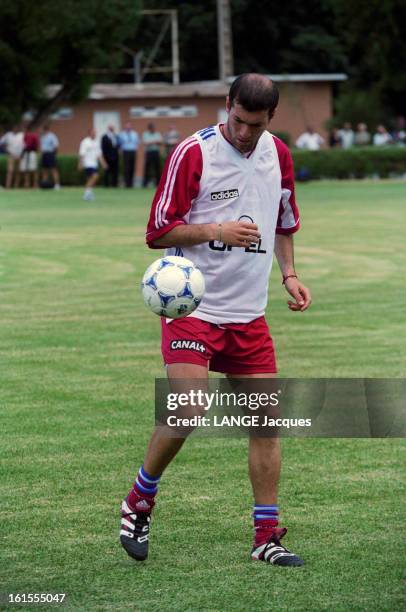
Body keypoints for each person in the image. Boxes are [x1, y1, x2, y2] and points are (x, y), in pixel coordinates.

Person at [120, 73, 312, 567]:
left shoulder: (279, 155)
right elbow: (158, 233)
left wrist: (289, 273)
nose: (244, 132)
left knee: (267, 425)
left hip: (249, 315)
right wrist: (216, 229)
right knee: (188, 410)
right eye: (238, 120)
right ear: (227, 106)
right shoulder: (194, 153)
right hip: (195, 311)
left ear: (272, 118)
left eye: (256, 124)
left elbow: (284, 220)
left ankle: (265, 536)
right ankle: (141, 499)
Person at [78, 128, 106, 201]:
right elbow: (82, 153)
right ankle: (87, 193)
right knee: (95, 176)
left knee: (90, 179)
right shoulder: (85, 142)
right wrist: (80, 163)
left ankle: (89, 193)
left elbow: (99, 155)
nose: (94, 134)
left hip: (94, 164)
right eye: (93, 132)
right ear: (89, 133)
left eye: (95, 133)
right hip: (88, 164)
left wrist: (103, 163)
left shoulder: (97, 142)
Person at [40, 124, 60, 189]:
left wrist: (53, 154)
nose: (41, 131)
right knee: (44, 170)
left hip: (50, 154)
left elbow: (56, 146)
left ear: (45, 129)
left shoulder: (52, 136)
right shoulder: (42, 137)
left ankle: (57, 185)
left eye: (42, 129)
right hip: (44, 154)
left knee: (53, 169)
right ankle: (44, 185)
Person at [119, 122, 139, 188]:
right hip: (126, 152)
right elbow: (120, 144)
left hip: (132, 151)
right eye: (127, 126)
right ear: (125, 126)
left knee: (132, 168)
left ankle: (131, 183)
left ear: (131, 126)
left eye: (129, 126)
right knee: (126, 168)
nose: (128, 127)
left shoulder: (135, 134)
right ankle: (127, 183)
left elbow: (137, 143)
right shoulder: (122, 134)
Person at [142, 123, 163, 187]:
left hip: (156, 152)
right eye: (152, 128)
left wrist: (151, 142)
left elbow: (160, 142)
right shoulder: (145, 134)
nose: (153, 129)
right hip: (148, 152)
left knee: (157, 167)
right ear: (149, 128)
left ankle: (158, 183)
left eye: (154, 128)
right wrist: (154, 141)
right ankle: (145, 183)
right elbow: (145, 143)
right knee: (147, 168)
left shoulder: (157, 133)